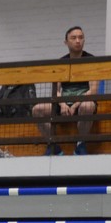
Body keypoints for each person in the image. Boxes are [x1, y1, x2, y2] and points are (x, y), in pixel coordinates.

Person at [33, 26, 97, 155]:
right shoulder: (61, 63)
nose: (78, 41)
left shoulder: (91, 60)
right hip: (64, 103)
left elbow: (93, 90)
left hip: (83, 102)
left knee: (88, 106)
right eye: (73, 38)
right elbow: (56, 90)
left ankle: (80, 144)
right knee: (37, 109)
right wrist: (62, 104)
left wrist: (75, 105)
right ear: (66, 42)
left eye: (81, 37)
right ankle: (53, 145)